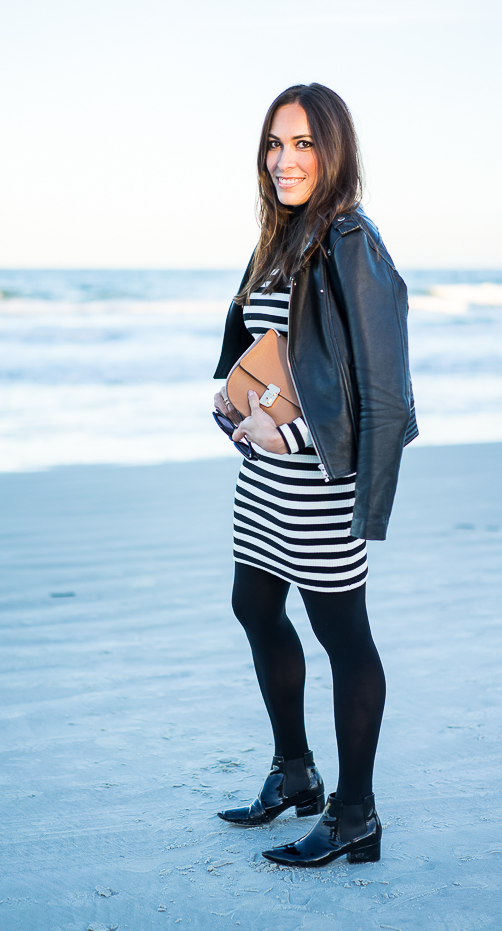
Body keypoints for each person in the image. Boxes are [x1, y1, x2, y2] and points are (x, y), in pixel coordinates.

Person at [212, 83, 417, 868]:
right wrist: (233, 403)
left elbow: (381, 387)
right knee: (253, 604)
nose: (283, 159)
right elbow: (263, 347)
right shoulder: (280, 238)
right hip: (264, 479)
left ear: (334, 152)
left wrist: (291, 434)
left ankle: (355, 812)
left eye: (301, 143)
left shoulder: (350, 241)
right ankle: (293, 772)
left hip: (319, 481)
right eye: (273, 143)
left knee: (343, 635)